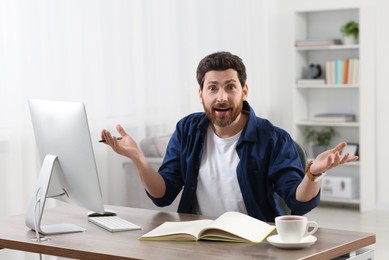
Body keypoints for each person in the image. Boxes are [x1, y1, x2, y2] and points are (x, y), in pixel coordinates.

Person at [101, 51, 358, 222]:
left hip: (255, 245)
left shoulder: (274, 139)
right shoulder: (187, 130)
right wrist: (138, 158)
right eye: (212, 88)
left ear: (244, 91)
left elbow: (298, 203)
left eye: (230, 87)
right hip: (199, 241)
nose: (221, 97)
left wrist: (313, 173)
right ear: (201, 94)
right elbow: (163, 195)